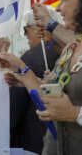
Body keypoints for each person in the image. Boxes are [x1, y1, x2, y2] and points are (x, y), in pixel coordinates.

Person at [0, 0, 82, 155]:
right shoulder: (71, 50)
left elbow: (68, 110)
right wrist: (24, 74)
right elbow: (50, 94)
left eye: (64, 0)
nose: (59, 9)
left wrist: (75, 113)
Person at [9, 11, 61, 154]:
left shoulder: (29, 58)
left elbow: (14, 109)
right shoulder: (66, 55)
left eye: (26, 30)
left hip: (33, 142)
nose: (25, 36)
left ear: (38, 28)